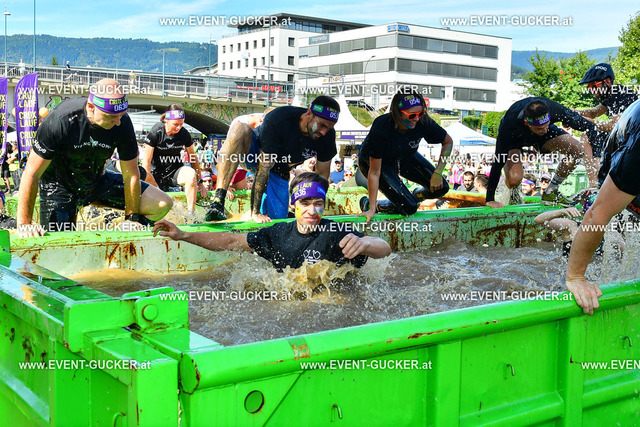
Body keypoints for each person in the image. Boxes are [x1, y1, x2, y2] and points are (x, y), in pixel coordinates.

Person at [16, 78, 172, 237]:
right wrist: (24, 224)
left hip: (97, 182)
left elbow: (131, 175)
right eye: (111, 117)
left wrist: (131, 218)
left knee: (161, 204)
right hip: (59, 188)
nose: (118, 122)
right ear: (91, 107)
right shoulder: (61, 120)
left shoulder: (122, 122)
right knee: (60, 244)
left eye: (121, 115)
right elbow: (32, 172)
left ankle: (113, 233)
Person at [154, 172, 391, 271]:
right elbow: (231, 241)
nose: (312, 210)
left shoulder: (337, 232)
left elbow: (384, 248)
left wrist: (365, 244)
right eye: (305, 203)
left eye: (318, 203)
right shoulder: (277, 234)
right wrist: (184, 235)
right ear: (292, 205)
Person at [206, 96, 340, 223]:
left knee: (277, 223)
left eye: (329, 128)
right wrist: (255, 212)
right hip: (255, 152)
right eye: (322, 125)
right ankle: (218, 200)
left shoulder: (327, 136)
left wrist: (315, 208)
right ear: (309, 113)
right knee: (239, 128)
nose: (324, 132)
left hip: (279, 170)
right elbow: (263, 169)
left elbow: (322, 175)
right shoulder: (281, 118)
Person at [565, 99, 640, 315]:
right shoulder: (634, 158)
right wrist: (576, 277)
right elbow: (596, 215)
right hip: (621, 151)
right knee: (604, 210)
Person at [485, 97, 601, 209]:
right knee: (514, 179)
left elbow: (591, 128)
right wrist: (489, 199)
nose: (544, 130)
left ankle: (551, 191)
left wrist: (597, 157)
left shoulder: (555, 110)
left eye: (546, 126)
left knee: (577, 150)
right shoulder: (508, 126)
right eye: (540, 128)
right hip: (516, 138)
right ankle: (513, 196)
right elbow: (498, 162)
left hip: (543, 134)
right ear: (526, 122)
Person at [356, 90, 453, 221]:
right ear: (398, 113)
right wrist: (371, 209)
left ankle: (415, 196)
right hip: (374, 162)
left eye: (421, 113)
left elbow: (448, 142)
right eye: (412, 115)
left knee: (441, 188)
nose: (417, 119)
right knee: (409, 208)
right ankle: (372, 204)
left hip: (404, 156)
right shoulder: (382, 126)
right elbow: (374, 172)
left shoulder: (423, 121)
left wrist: (438, 172)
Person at [141, 104, 207, 215]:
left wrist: (200, 182)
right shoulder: (156, 131)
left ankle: (191, 215)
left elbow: (193, 159)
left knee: (191, 174)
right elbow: (145, 165)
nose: (178, 127)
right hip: (155, 175)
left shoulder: (184, 133)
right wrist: (156, 188)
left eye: (181, 124)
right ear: (166, 120)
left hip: (175, 172)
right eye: (175, 124)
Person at [576, 63, 639, 162]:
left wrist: (588, 121)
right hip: (628, 138)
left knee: (589, 139)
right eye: (589, 87)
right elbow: (593, 112)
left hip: (634, 141)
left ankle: (598, 169)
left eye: (594, 86)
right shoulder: (610, 96)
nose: (592, 91)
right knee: (586, 137)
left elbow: (614, 126)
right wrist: (575, 113)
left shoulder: (619, 93)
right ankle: (595, 172)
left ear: (608, 82)